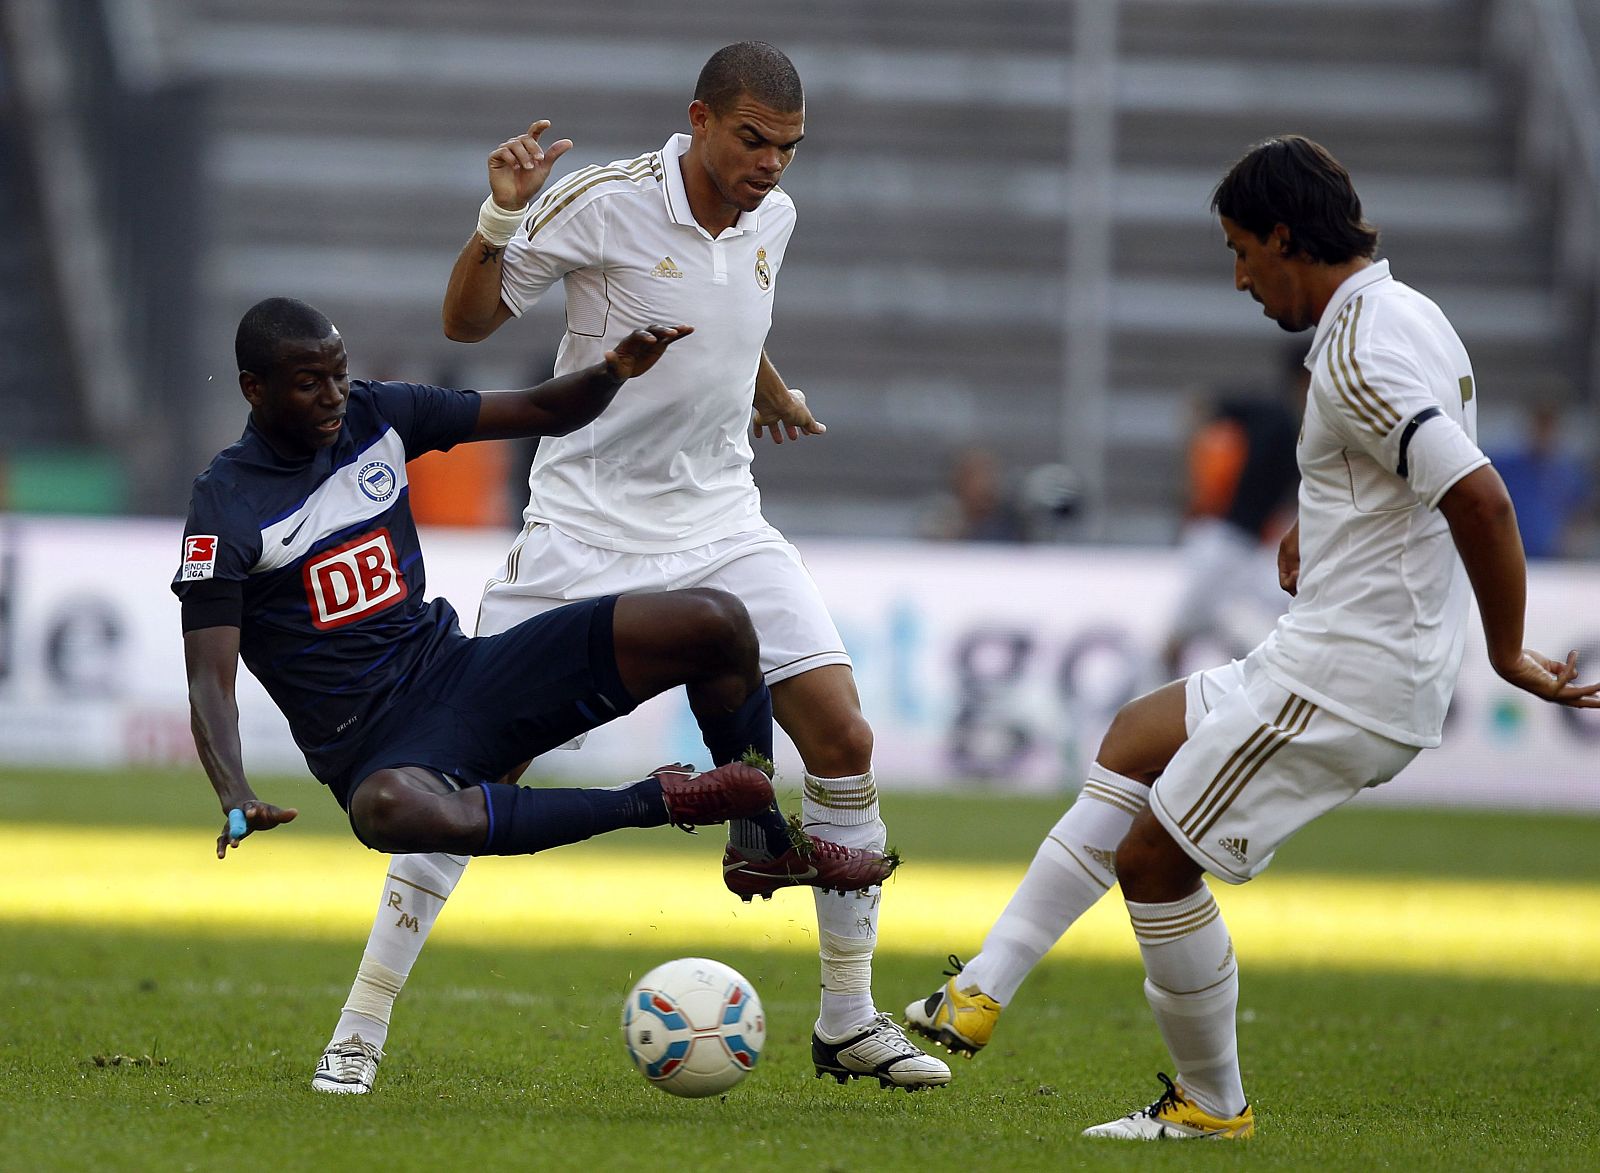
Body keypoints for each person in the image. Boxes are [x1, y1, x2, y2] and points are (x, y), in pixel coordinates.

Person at [904, 135, 1600, 1139]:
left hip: (1346, 677)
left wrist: (1505, 650)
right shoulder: (1408, 314)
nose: (1238, 278)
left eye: (1240, 251)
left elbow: (1480, 498)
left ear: (1283, 236)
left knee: (1154, 862)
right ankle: (981, 987)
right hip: (1326, 651)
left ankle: (1210, 1103)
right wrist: (1323, 521)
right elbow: (1404, 470)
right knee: (1134, 738)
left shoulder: (1357, 353)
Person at [317, 41, 949, 1095]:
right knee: (464, 773)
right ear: (699, 120)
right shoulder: (605, 202)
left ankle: (848, 1019)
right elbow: (464, 322)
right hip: (582, 531)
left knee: (842, 737)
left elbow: (725, 309)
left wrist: (767, 386)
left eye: (789, 148)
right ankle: (360, 1026)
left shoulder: (773, 219)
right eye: (753, 139)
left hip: (723, 522)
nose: (771, 164)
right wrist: (501, 214)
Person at [175, 297, 789, 1089]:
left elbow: (539, 409)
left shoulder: (376, 414)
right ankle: (659, 799)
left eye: (338, 374)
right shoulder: (225, 504)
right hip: (376, 746)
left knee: (717, 622)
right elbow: (209, 675)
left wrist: (611, 372)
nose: (332, 396)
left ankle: (762, 836)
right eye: (308, 383)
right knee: (388, 811)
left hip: (462, 676)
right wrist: (234, 792)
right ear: (254, 389)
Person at [1159, 365, 1302, 676]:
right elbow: (1203, 405)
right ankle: (1161, 690)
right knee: (1188, 629)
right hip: (1226, 538)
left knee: (1249, 626)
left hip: (1254, 546)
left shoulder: (1311, 427)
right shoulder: (1272, 414)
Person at [1487, 400, 1593, 559]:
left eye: (1549, 428)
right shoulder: (1505, 466)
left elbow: (1580, 515)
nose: (1544, 434)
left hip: (1551, 560)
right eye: (1540, 427)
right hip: (1510, 554)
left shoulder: (1568, 473)